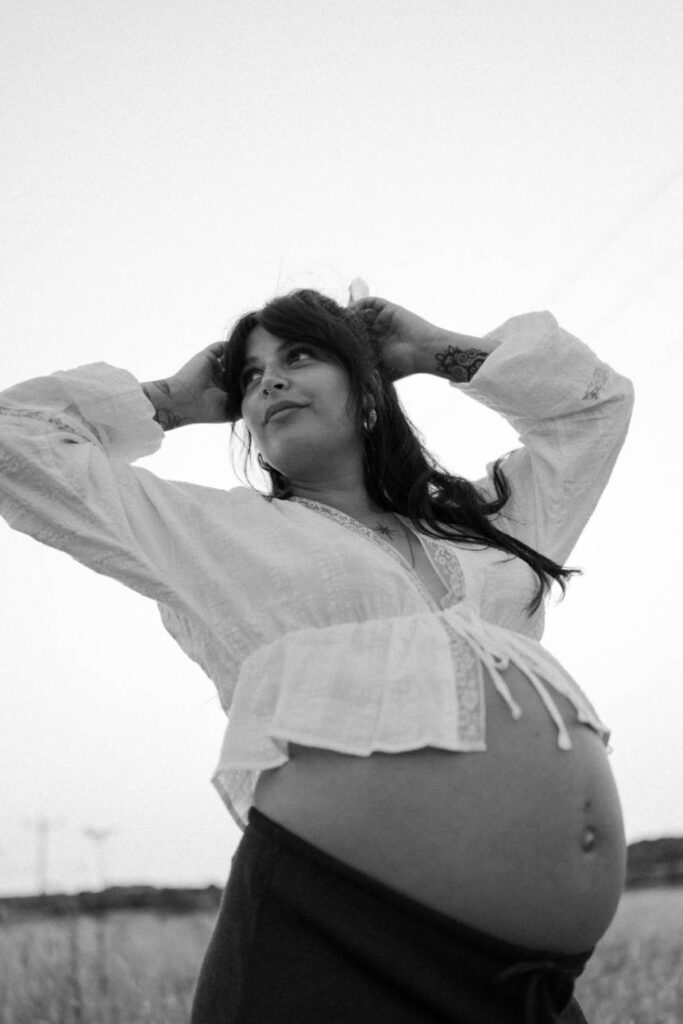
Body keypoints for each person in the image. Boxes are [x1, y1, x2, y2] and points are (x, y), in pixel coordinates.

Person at [0, 281, 635, 1023]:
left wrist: (424, 349)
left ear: (366, 390)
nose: (268, 378)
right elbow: (17, 442)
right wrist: (172, 399)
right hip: (332, 946)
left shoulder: (487, 523)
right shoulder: (214, 533)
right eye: (249, 374)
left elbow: (591, 410)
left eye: (299, 355)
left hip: (524, 983)